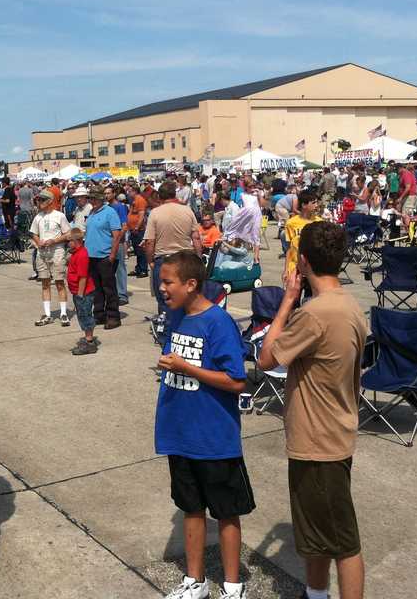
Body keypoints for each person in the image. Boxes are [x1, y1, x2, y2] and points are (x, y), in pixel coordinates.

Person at [258, 221, 367, 599]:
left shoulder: (314, 313)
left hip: (318, 440)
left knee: (342, 540)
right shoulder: (350, 304)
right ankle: (316, 593)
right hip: (334, 430)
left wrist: (288, 299)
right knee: (316, 533)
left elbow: (266, 357)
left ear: (302, 262)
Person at [155, 251, 254, 599]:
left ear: (191, 284)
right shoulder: (175, 316)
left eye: (168, 282)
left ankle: (232, 585)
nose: (162, 288)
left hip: (214, 437)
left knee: (226, 512)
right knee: (191, 508)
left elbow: (237, 380)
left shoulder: (218, 322)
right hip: (179, 432)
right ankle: (194, 581)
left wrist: (186, 368)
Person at [144, 181, 203, 318]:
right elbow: (196, 237)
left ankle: (167, 333)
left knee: (166, 300)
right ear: (174, 194)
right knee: (187, 297)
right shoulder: (187, 210)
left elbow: (149, 242)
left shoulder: (155, 213)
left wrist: (150, 260)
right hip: (185, 259)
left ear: (159, 196)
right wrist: (198, 258)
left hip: (164, 260)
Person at [30, 189, 71, 326]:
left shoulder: (59, 216)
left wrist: (54, 240)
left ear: (49, 201)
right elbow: (33, 233)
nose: (39, 202)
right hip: (42, 252)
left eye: (42, 200)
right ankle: (47, 315)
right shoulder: (38, 217)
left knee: (59, 282)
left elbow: (68, 234)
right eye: (38, 200)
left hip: (56, 251)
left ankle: (63, 313)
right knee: (45, 283)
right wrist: (38, 241)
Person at [85, 188, 123, 330]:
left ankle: (113, 316)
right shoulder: (91, 212)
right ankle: (99, 314)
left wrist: (112, 255)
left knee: (109, 288)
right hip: (92, 256)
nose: (92, 201)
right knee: (96, 288)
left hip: (105, 256)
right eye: (90, 199)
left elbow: (117, 235)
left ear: (102, 199)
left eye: (94, 199)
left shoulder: (110, 212)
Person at [66, 228, 98, 355]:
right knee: (82, 315)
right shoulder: (76, 253)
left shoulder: (82, 255)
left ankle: (89, 342)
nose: (68, 243)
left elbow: (83, 277)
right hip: (77, 292)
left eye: (70, 241)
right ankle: (87, 338)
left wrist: (80, 294)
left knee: (85, 315)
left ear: (77, 241)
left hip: (84, 293)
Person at [282, 190, 322, 282]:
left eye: (317, 202)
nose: (316, 205)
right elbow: (289, 249)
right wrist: (286, 270)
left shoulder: (319, 222)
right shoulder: (291, 223)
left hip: (312, 267)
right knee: (293, 294)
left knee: (312, 295)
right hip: (295, 266)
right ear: (304, 205)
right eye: (313, 203)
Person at [126, 183, 149, 278]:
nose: (128, 193)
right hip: (133, 229)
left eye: (130, 191)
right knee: (137, 251)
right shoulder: (134, 200)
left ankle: (143, 269)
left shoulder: (140, 200)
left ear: (135, 191)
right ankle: (138, 268)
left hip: (138, 230)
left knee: (141, 251)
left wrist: (137, 227)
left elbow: (141, 215)